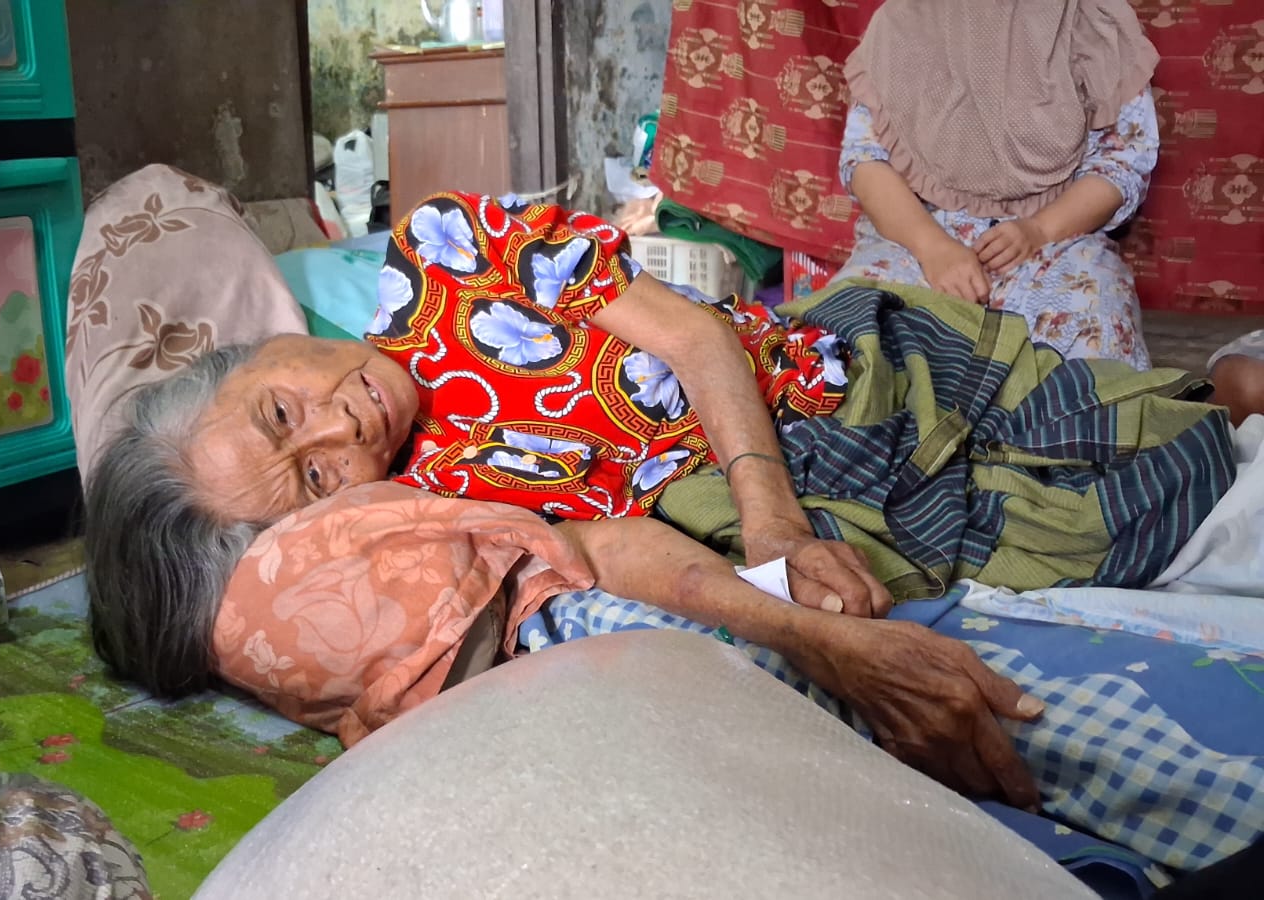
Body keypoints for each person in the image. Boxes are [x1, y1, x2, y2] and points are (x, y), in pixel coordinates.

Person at [82, 189, 1234, 812]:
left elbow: (693, 338)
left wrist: (770, 519)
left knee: (1184, 427)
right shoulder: (422, 509)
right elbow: (604, 547)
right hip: (817, 492)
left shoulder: (448, 255)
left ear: (253, 354)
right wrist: (795, 601)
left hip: (828, 380)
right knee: (1130, 520)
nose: (342, 430)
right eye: (315, 478)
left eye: (283, 412)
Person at [835, 0, 1159, 367]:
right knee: (846, 345)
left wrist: (1038, 231)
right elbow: (865, 160)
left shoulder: (1094, 19)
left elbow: (1122, 161)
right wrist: (933, 248)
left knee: (1095, 346)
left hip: (1057, 241)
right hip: (917, 237)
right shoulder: (901, 20)